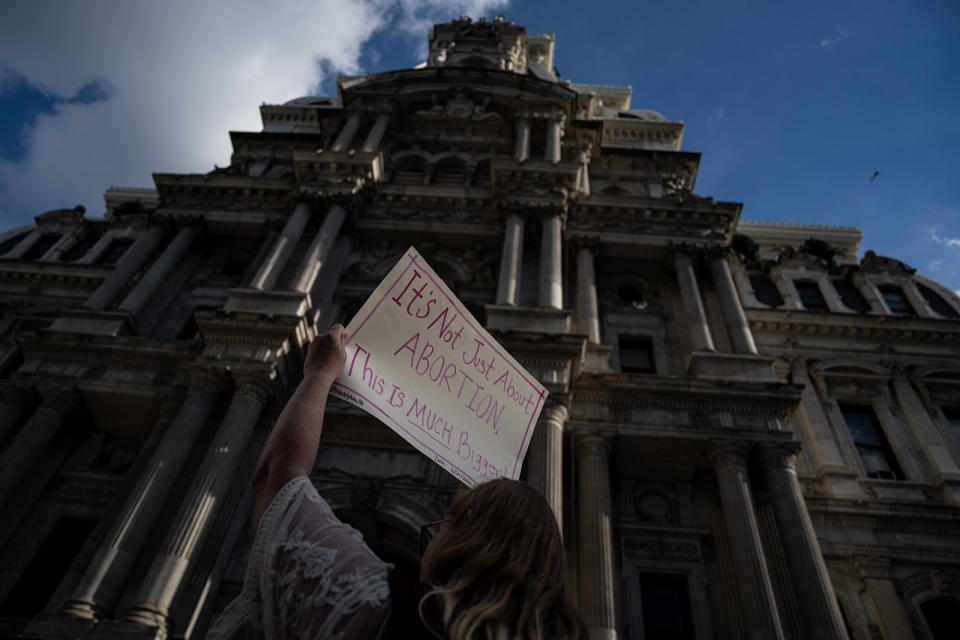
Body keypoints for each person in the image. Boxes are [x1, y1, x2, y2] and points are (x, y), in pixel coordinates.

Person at [210, 325, 587, 639]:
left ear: (467, 522)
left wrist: (319, 374)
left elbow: (279, 480)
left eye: (441, 524)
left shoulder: (379, 607)